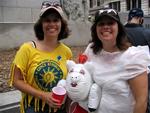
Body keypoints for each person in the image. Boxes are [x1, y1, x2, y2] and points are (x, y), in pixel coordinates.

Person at [9, 1, 72, 113]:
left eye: (56, 20)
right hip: (33, 108)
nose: (52, 24)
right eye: (47, 20)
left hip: (59, 109)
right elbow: (16, 80)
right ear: (41, 24)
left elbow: (69, 81)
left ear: (61, 24)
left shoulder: (66, 51)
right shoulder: (27, 49)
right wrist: (43, 95)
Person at [83, 7, 150, 113]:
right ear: (95, 29)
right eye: (101, 24)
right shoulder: (91, 50)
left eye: (110, 23)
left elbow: (141, 101)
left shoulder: (133, 57)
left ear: (119, 27)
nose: (106, 27)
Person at [124, 8, 150, 113]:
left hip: (123, 74)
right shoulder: (147, 33)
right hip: (144, 75)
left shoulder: (120, 32)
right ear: (140, 19)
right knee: (143, 101)